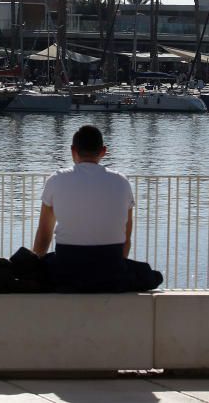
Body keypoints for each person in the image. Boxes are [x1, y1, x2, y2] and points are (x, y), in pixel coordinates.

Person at [31, 125, 136, 292]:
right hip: (111, 270)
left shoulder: (56, 180)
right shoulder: (122, 182)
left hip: (67, 270)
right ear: (103, 151)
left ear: (73, 150)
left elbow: (44, 234)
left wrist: (34, 269)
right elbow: (126, 236)